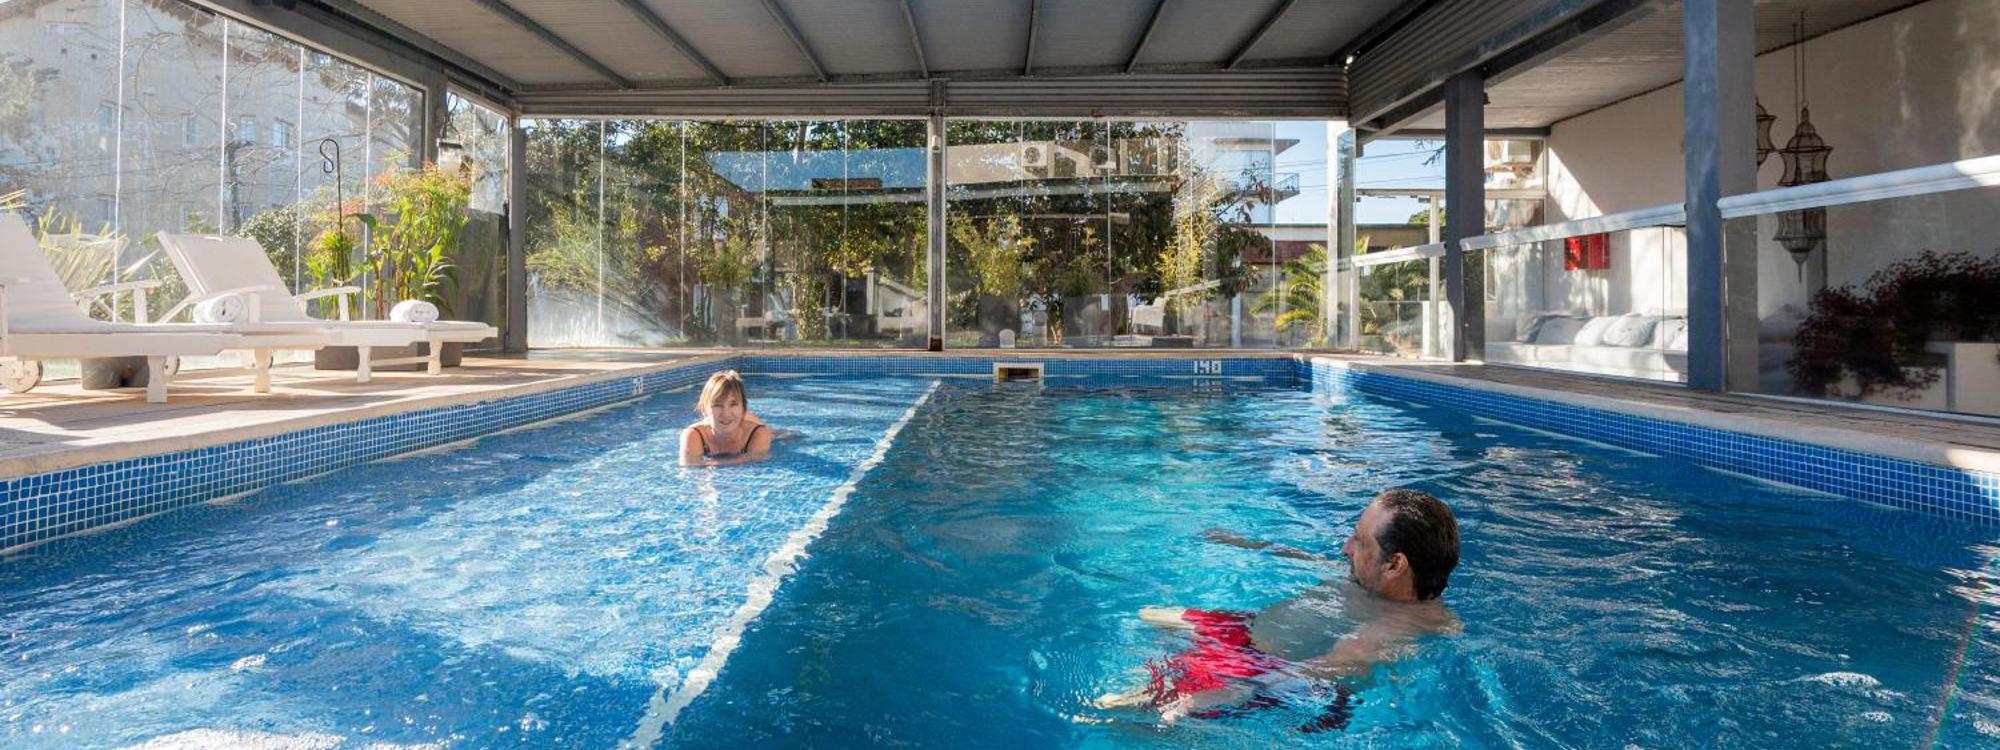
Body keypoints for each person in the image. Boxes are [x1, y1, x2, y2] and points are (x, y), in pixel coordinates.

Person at [1096, 488, 1462, 731]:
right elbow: (1303, 557)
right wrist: (1244, 543)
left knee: (1108, 709)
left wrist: (1235, 689)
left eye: (1359, 540)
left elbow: (1336, 667)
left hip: (1252, 669)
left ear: (1394, 564)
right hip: (1241, 630)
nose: (1345, 548)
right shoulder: (1365, 575)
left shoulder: (1403, 623)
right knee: (1142, 614)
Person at [679, 370, 774, 466]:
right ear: (704, 409)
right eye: (717, 405)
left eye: (733, 404)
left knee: (776, 435)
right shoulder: (694, 435)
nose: (726, 413)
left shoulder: (757, 433)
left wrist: (708, 464)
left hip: (751, 426)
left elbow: (757, 458)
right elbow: (690, 467)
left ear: (743, 408)